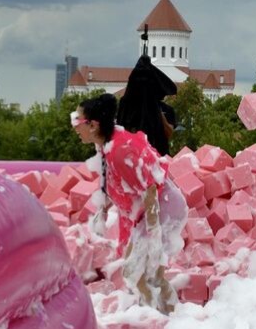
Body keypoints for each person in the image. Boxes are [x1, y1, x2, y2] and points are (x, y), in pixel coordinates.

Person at [73, 93, 188, 313]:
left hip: (164, 207)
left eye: (77, 121)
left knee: (142, 274)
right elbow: (118, 182)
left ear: (94, 125)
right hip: (151, 210)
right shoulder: (108, 144)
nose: (75, 127)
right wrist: (104, 209)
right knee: (134, 273)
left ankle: (165, 321)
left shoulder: (119, 151)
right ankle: (164, 318)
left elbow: (150, 189)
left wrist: (153, 236)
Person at [117, 55, 177, 155]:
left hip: (158, 156)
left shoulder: (166, 109)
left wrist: (158, 114)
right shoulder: (127, 107)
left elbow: (169, 133)